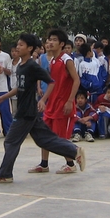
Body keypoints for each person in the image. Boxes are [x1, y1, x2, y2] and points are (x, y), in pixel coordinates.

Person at [0, 33, 86, 183]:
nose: (18, 47)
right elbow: (19, 88)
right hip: (27, 111)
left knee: (10, 141)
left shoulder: (32, 65)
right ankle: (74, 151)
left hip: (26, 112)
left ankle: (5, 173)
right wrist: (3, 97)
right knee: (44, 140)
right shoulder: (21, 66)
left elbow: (51, 81)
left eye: (21, 45)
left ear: (29, 48)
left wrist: (43, 99)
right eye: (18, 44)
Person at [33, 30, 80, 174]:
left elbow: (76, 80)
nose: (50, 42)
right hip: (52, 104)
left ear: (61, 44)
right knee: (44, 134)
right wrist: (44, 99)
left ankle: (71, 164)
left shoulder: (67, 59)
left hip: (63, 104)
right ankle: (44, 164)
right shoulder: (52, 60)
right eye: (49, 39)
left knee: (60, 136)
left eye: (54, 40)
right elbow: (53, 83)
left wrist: (70, 101)